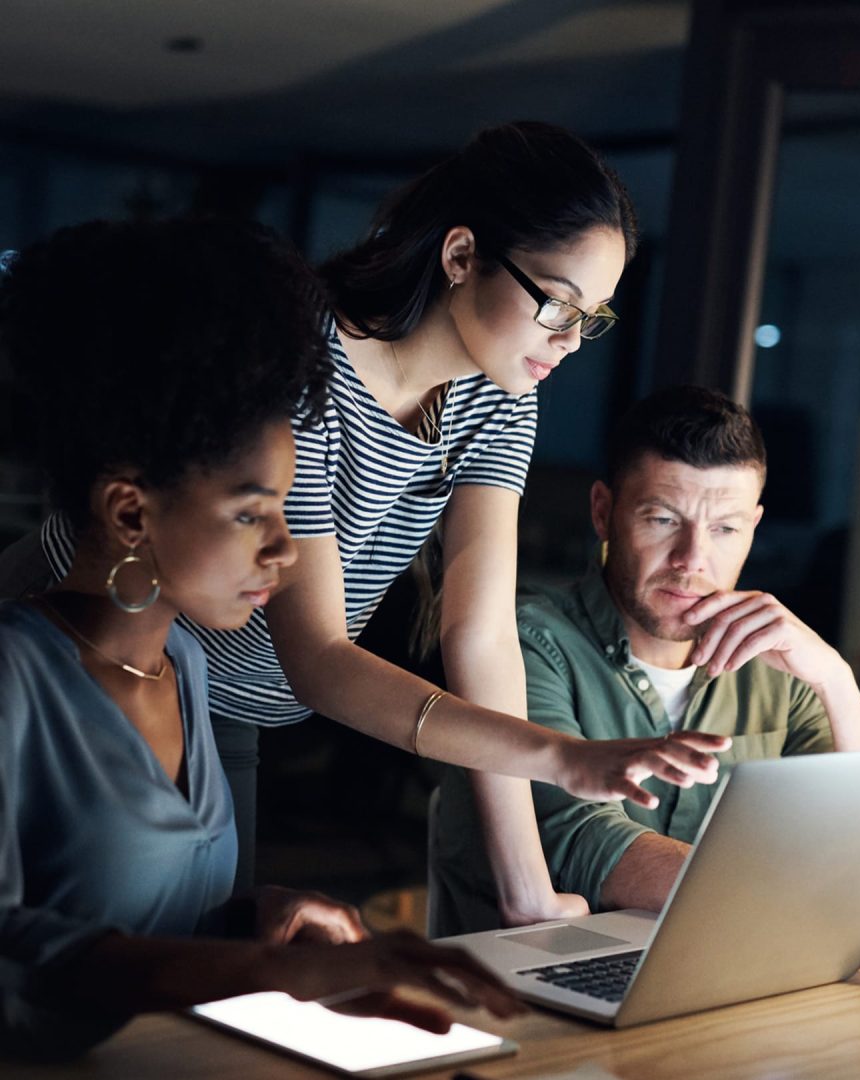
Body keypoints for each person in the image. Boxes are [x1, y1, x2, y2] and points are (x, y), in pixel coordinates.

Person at [6, 121, 730, 914]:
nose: (572, 342)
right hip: (109, 641)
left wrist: (529, 890)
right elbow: (317, 654)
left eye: (593, 319)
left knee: (198, 943)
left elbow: (478, 637)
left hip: (220, 696)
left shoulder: (499, 396)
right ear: (461, 256)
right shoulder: (301, 359)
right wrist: (561, 757)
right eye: (557, 305)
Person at [0, 219, 522, 1058]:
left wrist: (260, 920)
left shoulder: (187, 667)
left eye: (283, 509)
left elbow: (140, 916)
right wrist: (273, 976)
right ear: (130, 511)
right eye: (251, 514)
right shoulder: (15, 679)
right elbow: (18, 959)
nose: (284, 551)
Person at [434, 386, 860, 978]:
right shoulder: (524, 645)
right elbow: (580, 843)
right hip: (522, 995)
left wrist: (836, 680)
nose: (691, 558)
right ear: (604, 511)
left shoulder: (777, 665)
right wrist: (832, 905)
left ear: (754, 528)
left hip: (718, 977)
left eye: (725, 529)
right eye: (662, 519)